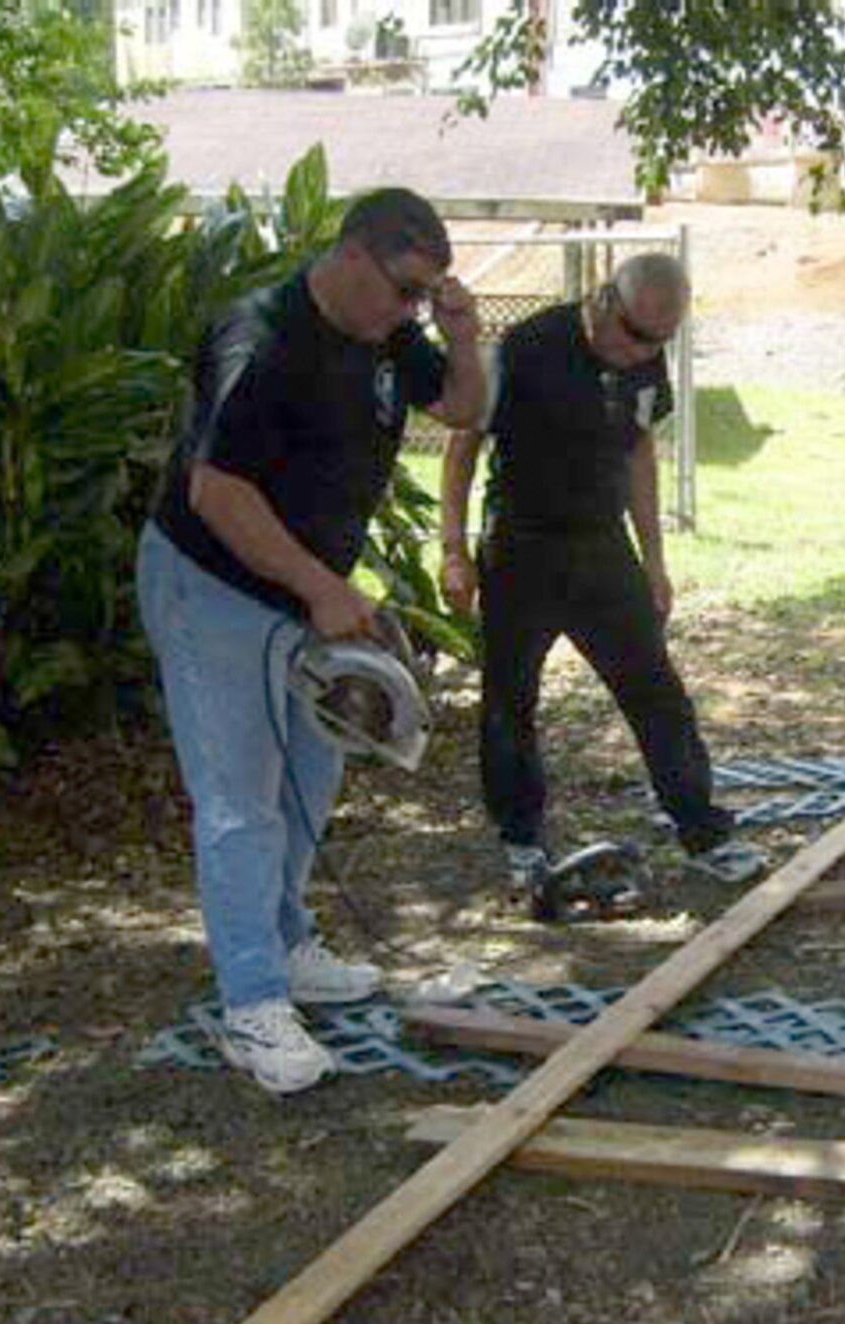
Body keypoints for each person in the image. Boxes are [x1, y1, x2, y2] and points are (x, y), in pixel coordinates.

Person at [137, 188, 485, 1094]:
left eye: (423, 298)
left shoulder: (387, 335)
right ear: (355, 256)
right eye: (406, 290)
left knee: (313, 771)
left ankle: (288, 945)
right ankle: (250, 1004)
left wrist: (463, 333)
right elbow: (220, 493)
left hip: (299, 592)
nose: (411, 311)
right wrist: (322, 587)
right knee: (238, 797)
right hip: (213, 586)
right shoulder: (258, 337)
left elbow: (459, 408)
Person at [438, 252, 763, 894]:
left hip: (602, 550)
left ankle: (702, 829)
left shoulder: (645, 357)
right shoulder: (527, 346)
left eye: (661, 342)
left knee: (657, 693)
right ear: (605, 300)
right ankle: (523, 840)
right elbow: (462, 446)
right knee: (510, 701)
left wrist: (654, 561)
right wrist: (453, 548)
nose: (645, 351)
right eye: (639, 335)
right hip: (521, 548)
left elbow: (639, 451)